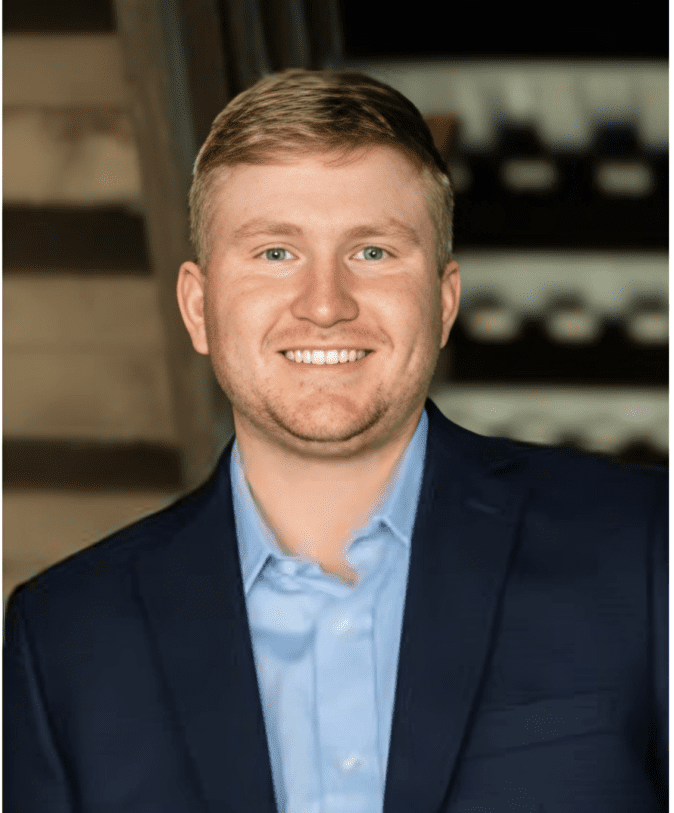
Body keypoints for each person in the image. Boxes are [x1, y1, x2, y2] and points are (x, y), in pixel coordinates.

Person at [4, 69, 667, 813]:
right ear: (198, 308)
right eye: (274, 253)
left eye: (373, 252)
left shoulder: (643, 548)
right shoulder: (65, 635)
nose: (325, 304)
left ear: (444, 302)